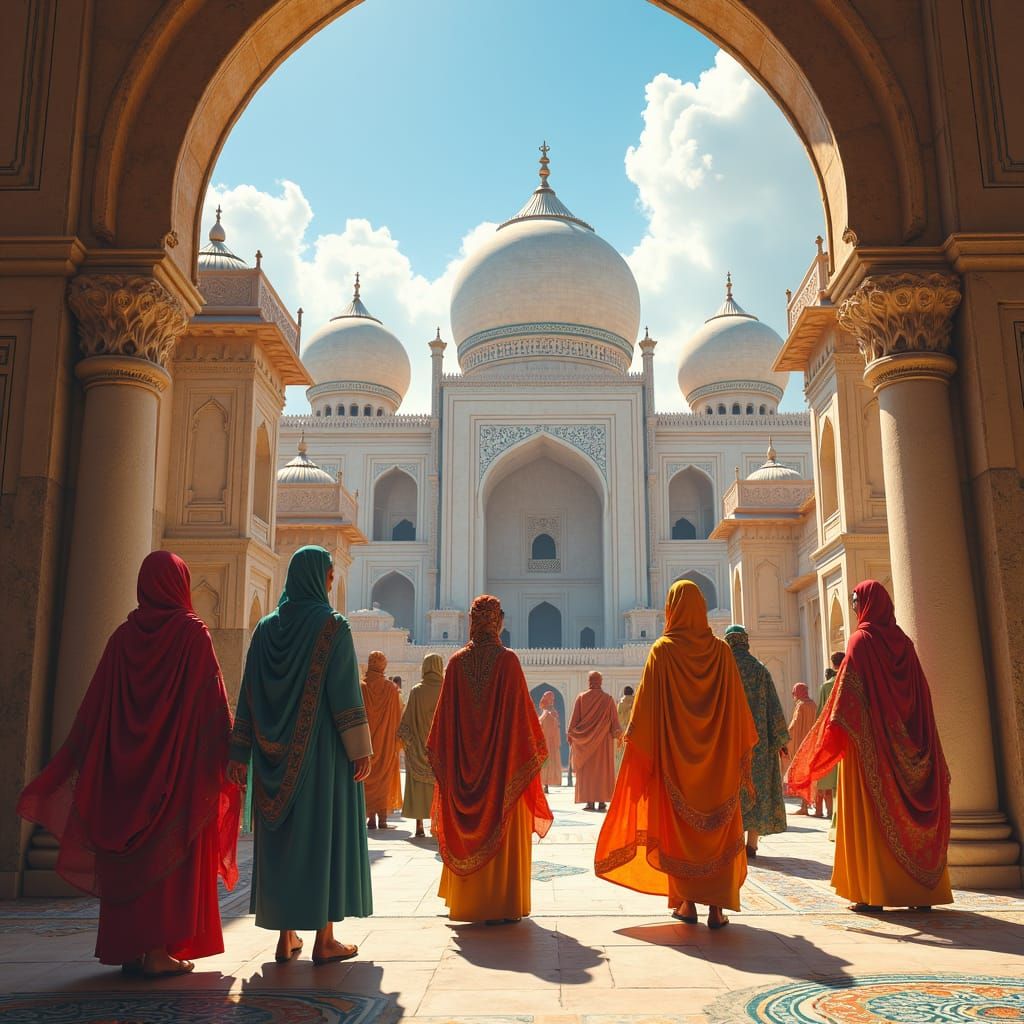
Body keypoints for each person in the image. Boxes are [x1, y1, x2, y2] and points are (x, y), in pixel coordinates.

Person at [19, 551, 242, 977]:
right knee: (167, 855)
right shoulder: (193, 636)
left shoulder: (122, 638)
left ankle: (131, 948)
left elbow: (93, 711)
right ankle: (157, 953)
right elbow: (212, 708)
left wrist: (74, 766)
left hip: (124, 778)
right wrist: (233, 753)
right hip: (175, 778)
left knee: (130, 858)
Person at [228, 545, 372, 965]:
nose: (332, 582)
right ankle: (324, 940)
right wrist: (360, 750)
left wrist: (240, 750)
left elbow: (248, 692)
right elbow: (344, 695)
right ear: (316, 577)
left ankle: (285, 936)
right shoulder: (332, 628)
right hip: (322, 757)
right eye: (330, 575)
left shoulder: (265, 629)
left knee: (284, 845)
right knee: (321, 842)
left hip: (272, 761)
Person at [596, 581, 758, 930]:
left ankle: (687, 904)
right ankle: (717, 909)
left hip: (676, 769)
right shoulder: (722, 652)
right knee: (718, 836)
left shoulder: (662, 652)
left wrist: (639, 753)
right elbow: (738, 712)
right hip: (719, 766)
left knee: (680, 835)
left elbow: (644, 716)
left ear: (671, 610)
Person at [788, 580, 953, 912]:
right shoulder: (904, 644)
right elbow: (921, 698)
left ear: (865, 604)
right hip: (912, 748)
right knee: (906, 816)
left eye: (854, 600)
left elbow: (845, 702)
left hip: (871, 752)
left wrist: (823, 745)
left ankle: (874, 893)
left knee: (875, 820)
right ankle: (921, 894)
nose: (852, 606)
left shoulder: (860, 643)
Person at [427, 595, 553, 923]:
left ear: (472, 621)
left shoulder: (455, 663)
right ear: (498, 621)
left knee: (465, 829)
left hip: (461, 777)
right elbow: (525, 724)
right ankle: (502, 904)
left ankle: (468, 902)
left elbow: (441, 730)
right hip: (502, 774)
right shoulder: (508, 662)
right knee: (504, 821)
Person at [724, 625, 789, 857]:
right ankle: (752, 844)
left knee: (730, 790)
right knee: (755, 787)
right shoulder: (760, 670)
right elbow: (773, 705)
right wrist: (780, 738)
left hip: (728, 743)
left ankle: (732, 841)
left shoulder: (723, 669)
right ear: (745, 641)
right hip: (757, 743)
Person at [397, 653, 444, 837]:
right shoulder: (446, 689)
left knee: (418, 788)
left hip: (418, 748)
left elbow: (406, 721)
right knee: (438, 788)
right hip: (440, 751)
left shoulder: (416, 691)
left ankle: (419, 826)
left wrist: (405, 739)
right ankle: (436, 823)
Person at [568, 671, 622, 812]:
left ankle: (590, 802)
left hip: (584, 744)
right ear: (601, 681)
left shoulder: (581, 698)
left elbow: (574, 722)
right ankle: (602, 802)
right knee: (602, 772)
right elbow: (615, 724)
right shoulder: (608, 699)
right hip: (603, 743)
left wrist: (571, 736)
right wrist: (619, 735)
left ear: (589, 681)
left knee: (587, 773)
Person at [362, 650, 403, 830]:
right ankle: (383, 818)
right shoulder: (391, 690)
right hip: (385, 745)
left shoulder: (361, 688)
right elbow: (398, 718)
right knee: (384, 778)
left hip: (365, 745)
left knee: (367, 777)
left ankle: (370, 817)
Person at [813, 653, 843, 818]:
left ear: (832, 665)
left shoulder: (826, 686)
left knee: (828, 775)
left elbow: (821, 714)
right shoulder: (852, 681)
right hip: (849, 736)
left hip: (831, 735)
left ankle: (831, 813)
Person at [782, 683, 818, 814]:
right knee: (809, 774)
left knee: (802, 774)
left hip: (801, 745)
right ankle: (806, 805)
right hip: (812, 743)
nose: (793, 695)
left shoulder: (801, 705)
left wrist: (784, 737)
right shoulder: (813, 705)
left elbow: (795, 724)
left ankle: (804, 807)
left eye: (794, 692)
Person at [538, 690, 563, 793]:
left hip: (549, 743)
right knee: (547, 764)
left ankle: (546, 784)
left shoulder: (550, 713)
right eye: (550, 698)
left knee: (547, 764)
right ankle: (545, 784)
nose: (552, 701)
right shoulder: (550, 713)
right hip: (548, 743)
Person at [615, 686, 634, 774]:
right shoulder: (635, 703)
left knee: (621, 756)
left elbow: (617, 719)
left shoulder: (620, 704)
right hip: (633, 732)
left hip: (622, 733)